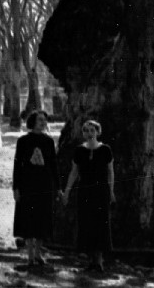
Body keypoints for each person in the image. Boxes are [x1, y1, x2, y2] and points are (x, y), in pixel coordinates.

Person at [61, 118, 114, 273]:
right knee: (87, 223)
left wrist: (111, 191)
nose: (89, 133)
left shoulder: (105, 150)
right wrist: (67, 191)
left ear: (97, 132)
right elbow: (74, 172)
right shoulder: (79, 151)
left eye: (92, 130)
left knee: (100, 224)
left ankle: (99, 261)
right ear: (83, 133)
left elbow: (110, 172)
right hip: (84, 191)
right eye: (86, 130)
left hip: (101, 191)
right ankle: (91, 260)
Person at [12, 111, 58, 268]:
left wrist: (57, 187)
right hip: (27, 184)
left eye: (44, 120)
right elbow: (17, 165)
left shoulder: (49, 141)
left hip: (45, 184)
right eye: (39, 120)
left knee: (42, 220)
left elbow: (53, 166)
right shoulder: (23, 141)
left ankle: (38, 254)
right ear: (33, 122)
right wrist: (15, 187)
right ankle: (30, 255)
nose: (42, 122)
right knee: (28, 219)